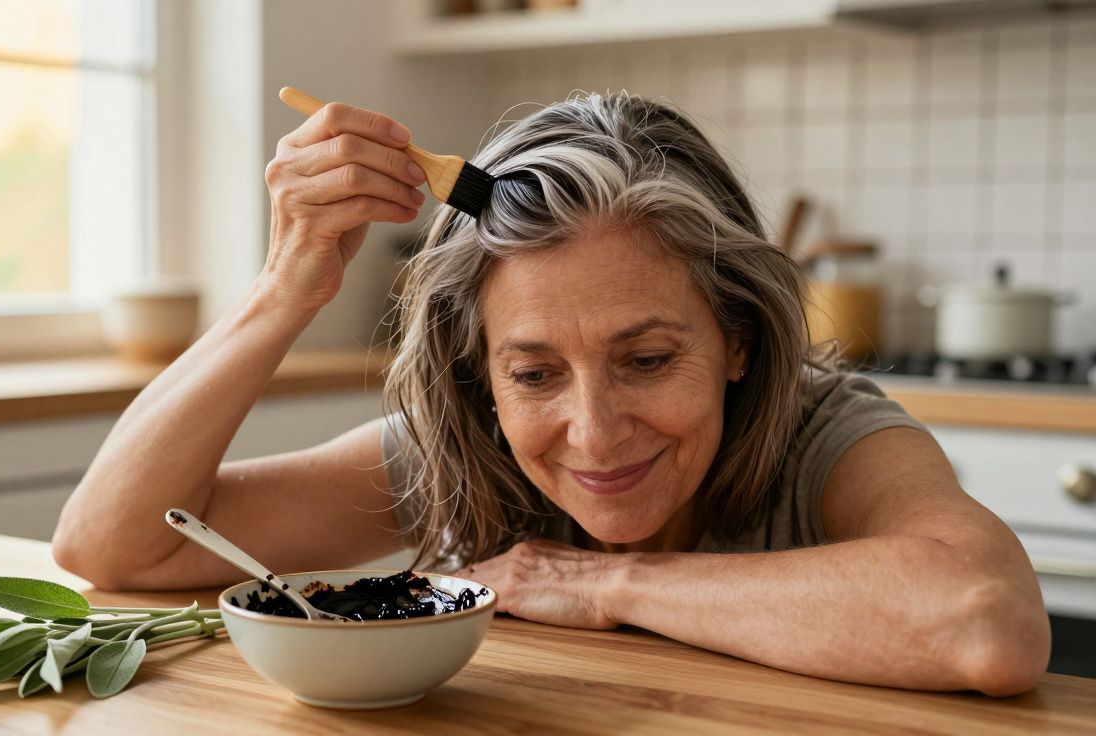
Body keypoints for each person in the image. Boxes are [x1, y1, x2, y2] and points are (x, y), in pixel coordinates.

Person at [53, 92, 1050, 696]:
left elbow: (982, 620)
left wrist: (603, 583)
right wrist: (287, 286)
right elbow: (113, 543)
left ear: (737, 337)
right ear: (479, 377)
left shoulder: (828, 431)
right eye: (532, 372)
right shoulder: (463, 445)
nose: (593, 430)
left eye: (649, 358)